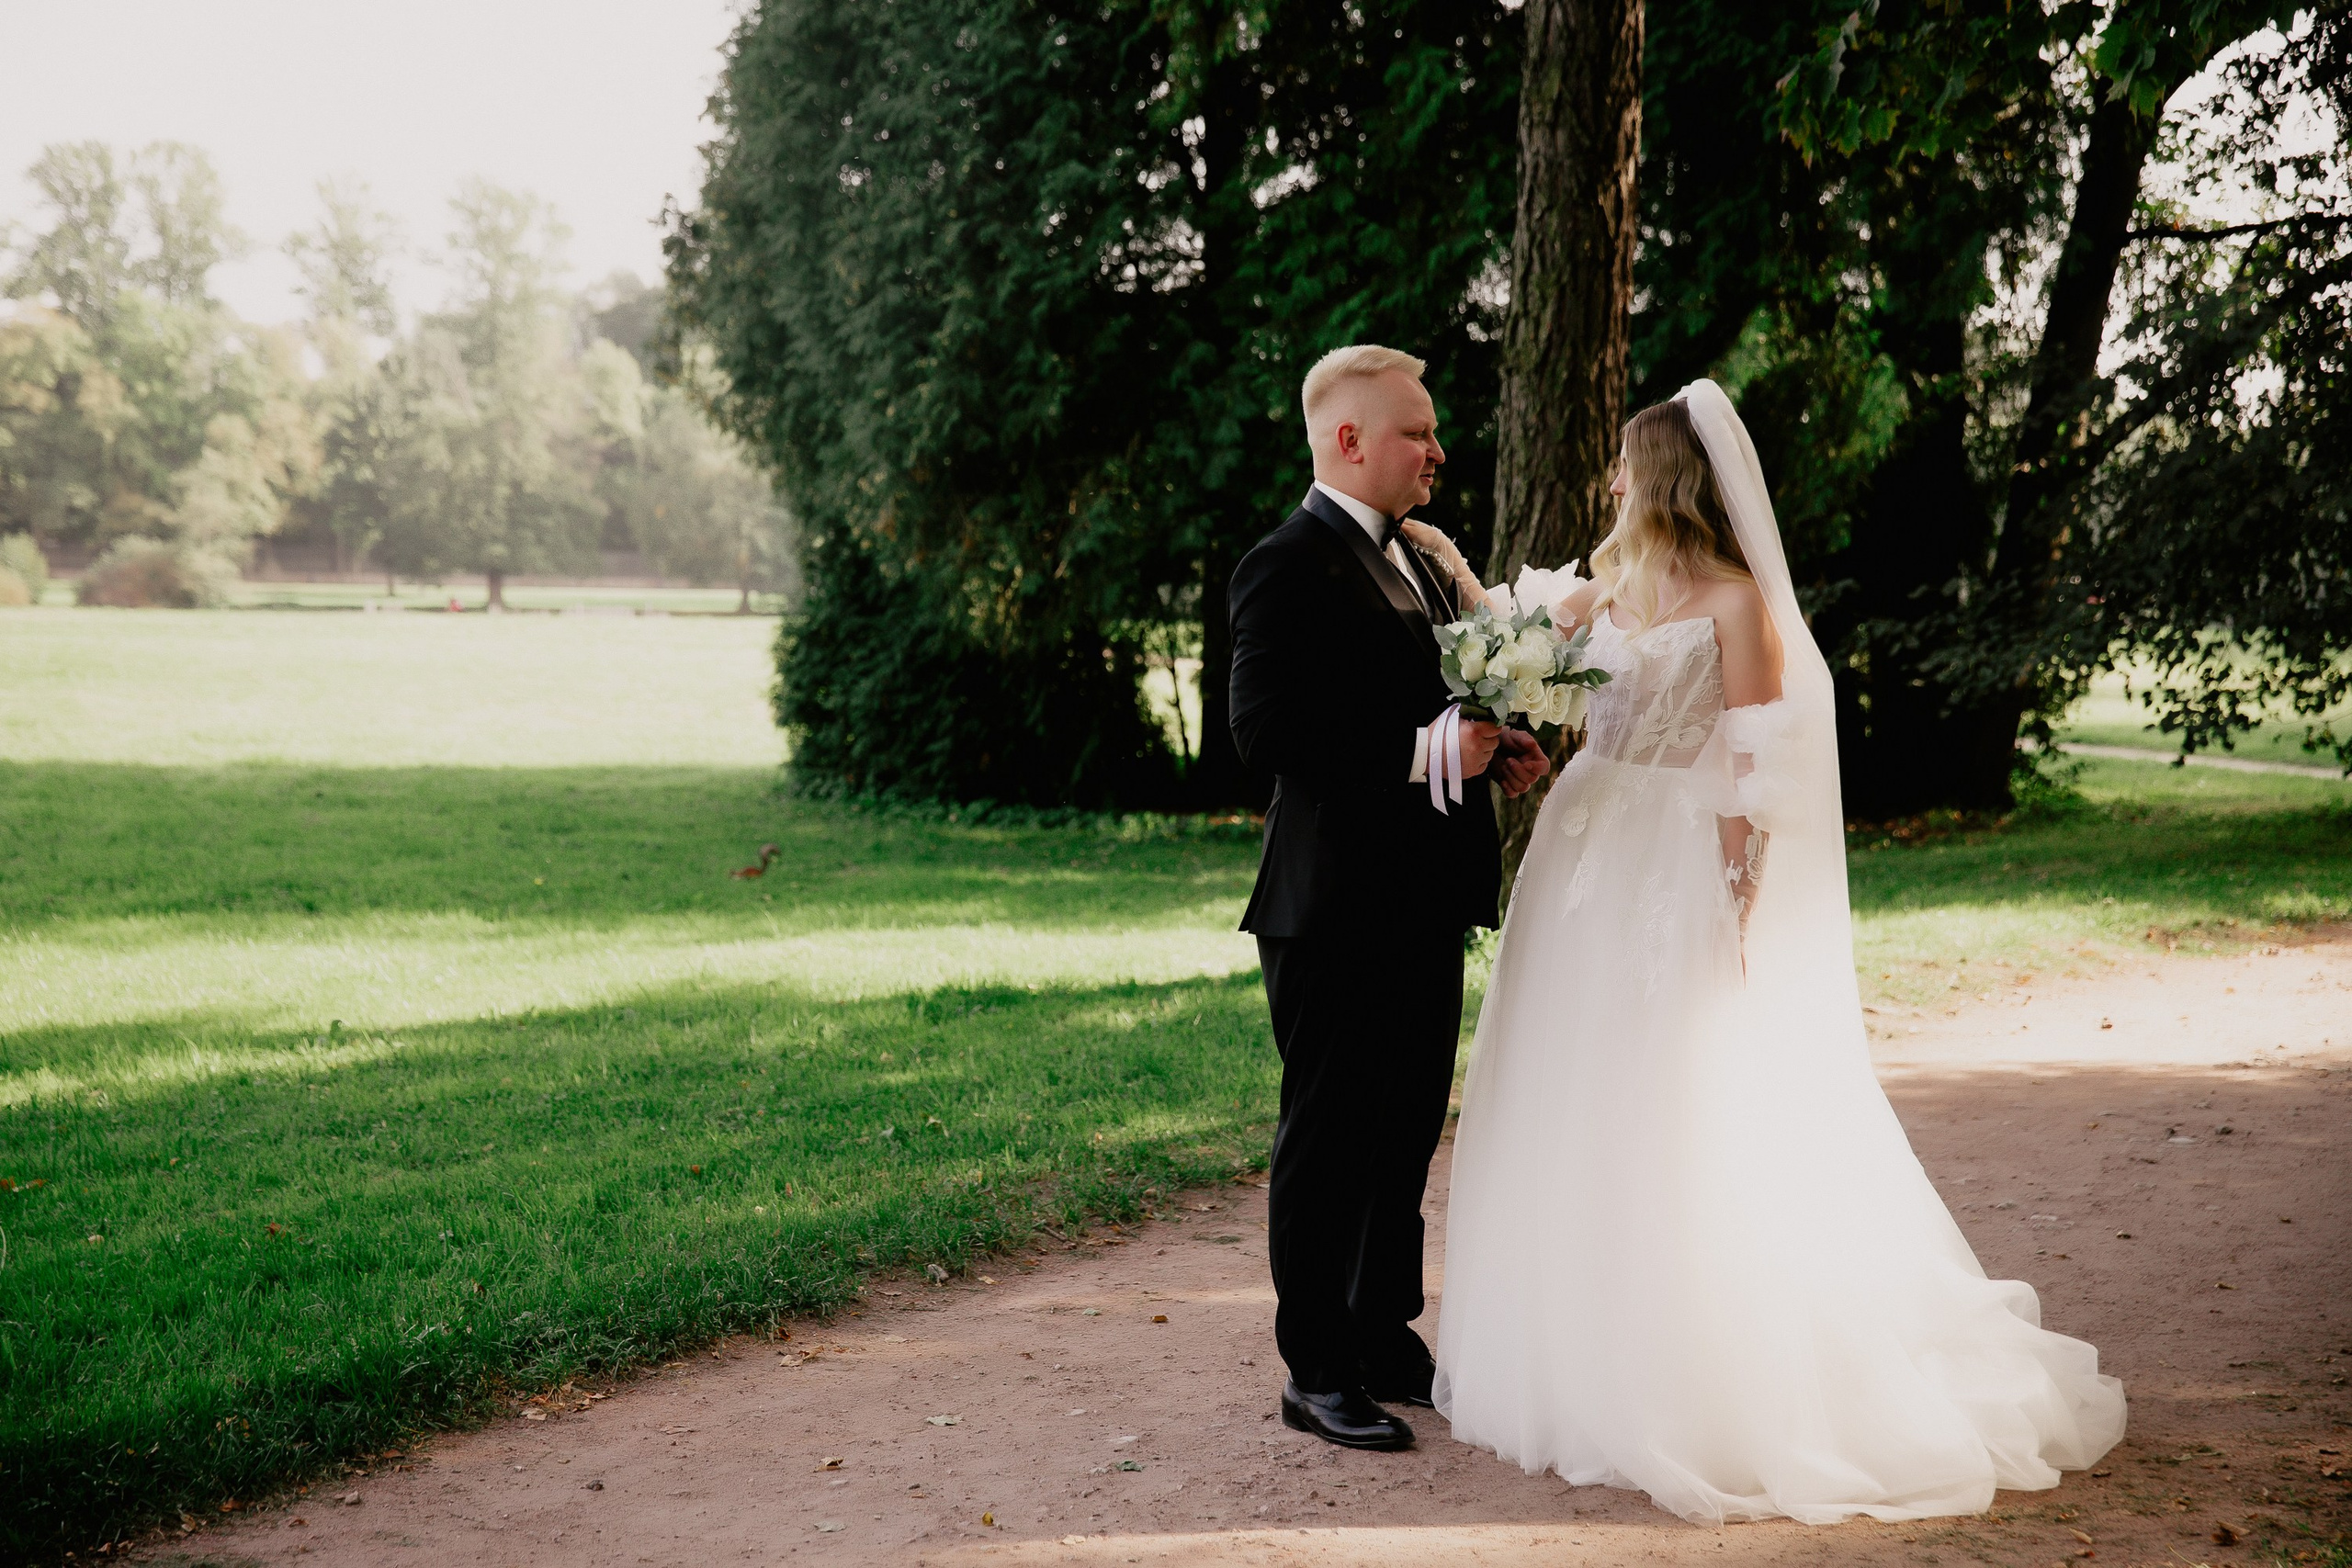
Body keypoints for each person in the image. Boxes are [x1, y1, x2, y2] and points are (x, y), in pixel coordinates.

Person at [1397, 380, 2126, 1523]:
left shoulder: (1741, 608)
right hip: (1584, 850)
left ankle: (1683, 1368)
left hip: (1669, 863)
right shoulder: (1607, 588)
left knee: (1667, 1090)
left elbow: (1752, 768)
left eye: (1629, 467)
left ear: (1667, 476)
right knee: (1563, 1081)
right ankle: (1565, 1337)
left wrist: (1735, 903)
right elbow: (1519, 653)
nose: (1615, 484)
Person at [1227, 344, 1549, 1451]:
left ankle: (1381, 1331)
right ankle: (1313, 1368)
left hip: (1422, 898)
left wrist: (1489, 744)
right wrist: (1425, 750)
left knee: (1405, 1130)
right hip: (1329, 909)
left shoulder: (1417, 558)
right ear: (1348, 440)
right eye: (1415, 431)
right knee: (1330, 1139)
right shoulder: (1284, 563)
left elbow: (1428, 706)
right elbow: (1264, 735)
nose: (1436, 449)